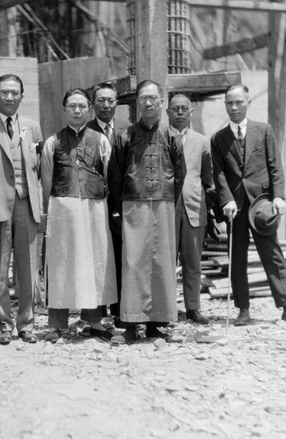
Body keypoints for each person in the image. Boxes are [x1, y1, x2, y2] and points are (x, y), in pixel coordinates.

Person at [210, 84, 286, 327]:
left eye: (238, 102)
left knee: (272, 255)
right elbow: (219, 175)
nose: (234, 107)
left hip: (262, 205)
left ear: (248, 102)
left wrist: (278, 197)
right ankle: (243, 309)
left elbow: (275, 166)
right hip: (235, 207)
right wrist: (227, 200)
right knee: (237, 258)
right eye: (229, 103)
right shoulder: (218, 139)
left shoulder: (263, 131)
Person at [109, 80, 185, 344]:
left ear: (161, 103)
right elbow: (115, 175)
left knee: (162, 262)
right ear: (137, 103)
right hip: (133, 205)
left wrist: (168, 200)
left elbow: (180, 174)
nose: (149, 103)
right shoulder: (125, 136)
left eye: (153, 98)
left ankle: (156, 324)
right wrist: (119, 209)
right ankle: (131, 323)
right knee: (133, 262)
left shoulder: (172, 136)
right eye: (144, 99)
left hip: (163, 204)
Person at [40, 88, 117, 343]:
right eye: (72, 106)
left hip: (94, 208)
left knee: (93, 263)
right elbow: (47, 180)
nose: (77, 110)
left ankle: (94, 321)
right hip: (62, 208)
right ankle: (57, 324)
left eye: (82, 106)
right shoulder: (53, 142)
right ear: (64, 110)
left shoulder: (101, 140)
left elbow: (109, 176)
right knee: (61, 263)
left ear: (89, 109)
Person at [0, 74, 43, 345]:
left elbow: (38, 165)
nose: (10, 97)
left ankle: (27, 324)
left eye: (15, 93)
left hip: (26, 204)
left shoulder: (32, 127)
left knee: (28, 267)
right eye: (5, 92)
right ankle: (3, 324)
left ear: (22, 96)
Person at [86, 82, 131, 329]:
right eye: (101, 100)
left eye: (111, 100)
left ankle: (120, 309)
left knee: (120, 254)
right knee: (97, 257)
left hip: (122, 203)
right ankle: (95, 313)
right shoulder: (86, 130)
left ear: (117, 103)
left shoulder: (126, 131)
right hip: (95, 203)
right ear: (93, 104)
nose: (106, 105)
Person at [167, 93, 214, 325]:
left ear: (191, 112)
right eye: (175, 108)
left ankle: (193, 307)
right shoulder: (161, 137)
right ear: (167, 112)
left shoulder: (202, 141)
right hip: (167, 208)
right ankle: (166, 310)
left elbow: (208, 177)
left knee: (192, 261)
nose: (179, 112)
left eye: (184, 108)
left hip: (194, 207)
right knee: (166, 261)